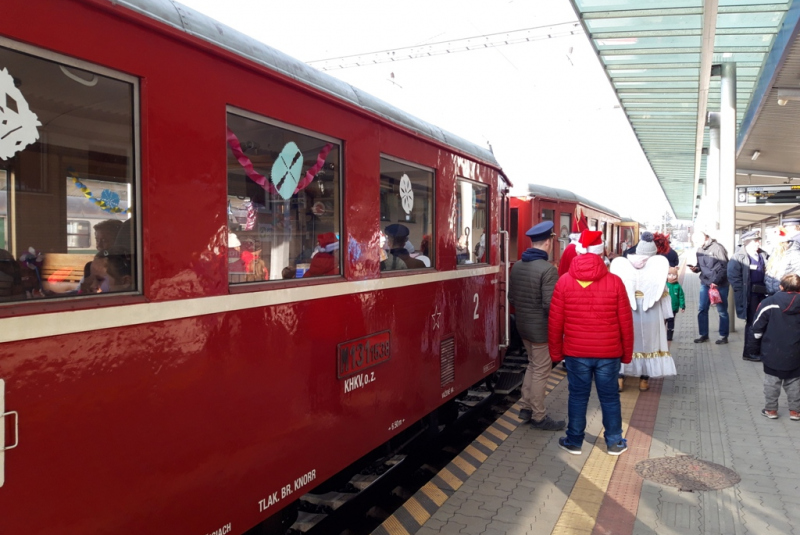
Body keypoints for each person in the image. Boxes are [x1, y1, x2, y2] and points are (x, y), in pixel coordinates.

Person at [549, 230, 634, 456]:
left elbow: (555, 322)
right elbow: (626, 322)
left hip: (576, 353)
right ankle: (615, 441)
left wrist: (556, 354)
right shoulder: (615, 282)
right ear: (600, 254)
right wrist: (626, 354)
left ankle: (574, 440)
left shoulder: (564, 282)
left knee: (577, 396)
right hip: (609, 353)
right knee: (609, 396)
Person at [508, 221, 564, 430]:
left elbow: (511, 298)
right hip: (541, 330)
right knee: (541, 370)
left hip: (523, 326)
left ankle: (525, 407)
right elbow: (551, 306)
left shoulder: (518, 266)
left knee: (533, 365)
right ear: (549, 242)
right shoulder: (548, 271)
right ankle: (539, 416)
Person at [611, 232, 677, 393]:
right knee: (649, 343)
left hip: (628, 310)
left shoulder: (622, 265)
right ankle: (643, 381)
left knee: (625, 342)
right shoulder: (658, 267)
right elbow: (663, 292)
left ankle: (620, 379)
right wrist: (668, 314)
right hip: (651, 311)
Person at [752, 274, 800, 420]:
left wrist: (756, 338)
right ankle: (795, 412)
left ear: (781, 286)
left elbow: (757, 324)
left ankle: (771, 410)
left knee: (772, 382)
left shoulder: (770, 302)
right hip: (796, 351)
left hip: (772, 349)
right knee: (794, 382)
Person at [727, 230, 770, 362]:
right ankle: (749, 352)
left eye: (758, 241)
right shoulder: (738, 257)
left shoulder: (763, 255)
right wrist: (742, 293)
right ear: (747, 243)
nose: (758, 243)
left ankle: (760, 350)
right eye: (755, 241)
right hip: (750, 296)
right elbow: (733, 277)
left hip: (764, 293)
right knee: (752, 323)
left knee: (764, 322)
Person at [688, 228, 730, 344]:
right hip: (705, 283)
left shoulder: (718, 248)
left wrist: (716, 281)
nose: (696, 245)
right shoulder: (699, 249)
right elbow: (700, 266)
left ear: (705, 237)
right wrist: (695, 269)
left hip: (719, 284)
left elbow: (725, 267)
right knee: (702, 309)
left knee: (722, 311)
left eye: (697, 241)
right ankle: (703, 334)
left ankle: (723, 336)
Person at [765, 218, 800, 295]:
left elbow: (797, 274)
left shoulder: (794, 253)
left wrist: (788, 288)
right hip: (772, 293)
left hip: (786, 294)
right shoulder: (774, 253)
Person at [665, 266, 685, 342]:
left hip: (673, 307)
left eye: (674, 275)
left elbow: (681, 296)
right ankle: (662, 335)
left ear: (677, 276)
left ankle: (669, 335)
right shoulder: (665, 285)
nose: (671, 276)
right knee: (663, 321)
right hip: (665, 307)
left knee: (671, 321)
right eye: (669, 275)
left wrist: (682, 306)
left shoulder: (678, 286)